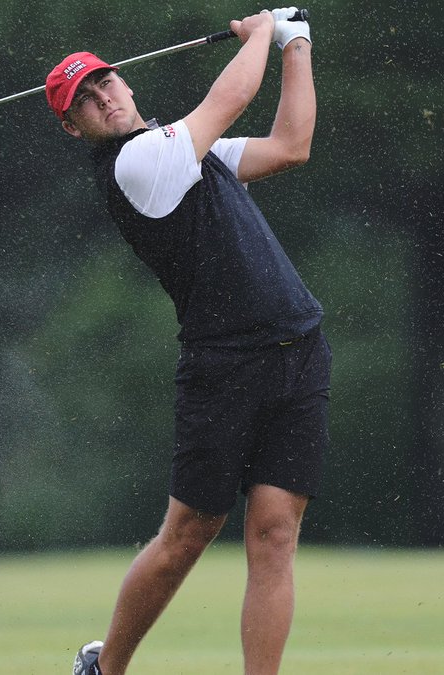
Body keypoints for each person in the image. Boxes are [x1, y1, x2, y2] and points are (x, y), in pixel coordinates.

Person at [47, 9, 328, 675]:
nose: (103, 98)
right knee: (188, 534)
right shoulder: (137, 164)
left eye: (105, 83)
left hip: (299, 351)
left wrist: (297, 43)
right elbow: (229, 98)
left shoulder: (188, 153)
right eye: (84, 100)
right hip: (223, 366)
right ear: (72, 126)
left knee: (274, 533)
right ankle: (107, 665)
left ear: (126, 84)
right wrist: (263, 29)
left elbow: (292, 144)